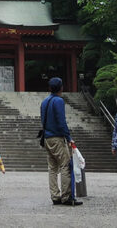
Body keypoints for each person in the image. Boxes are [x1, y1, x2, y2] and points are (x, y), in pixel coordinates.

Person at [41, 77, 82, 206]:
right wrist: (68, 137)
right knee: (65, 165)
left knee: (52, 168)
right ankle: (66, 196)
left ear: (49, 88)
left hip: (47, 137)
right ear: (61, 88)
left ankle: (55, 196)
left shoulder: (45, 101)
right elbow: (61, 120)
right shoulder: (58, 101)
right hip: (57, 137)